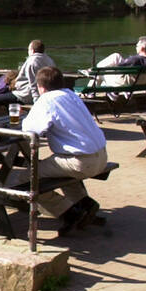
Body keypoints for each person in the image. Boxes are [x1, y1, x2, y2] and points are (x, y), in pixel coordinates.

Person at [20, 66, 109, 233]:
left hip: (82, 161)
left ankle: (68, 212)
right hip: (101, 156)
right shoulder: (71, 95)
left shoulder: (46, 100)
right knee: (60, 168)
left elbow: (30, 130)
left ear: (41, 87)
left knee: (27, 178)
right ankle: (85, 204)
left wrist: (25, 116)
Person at [0, 40, 55, 112]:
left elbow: (33, 84)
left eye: (28, 50)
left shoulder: (32, 62)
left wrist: (37, 104)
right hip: (44, 95)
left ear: (32, 50)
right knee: (4, 96)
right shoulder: (50, 61)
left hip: (24, 96)